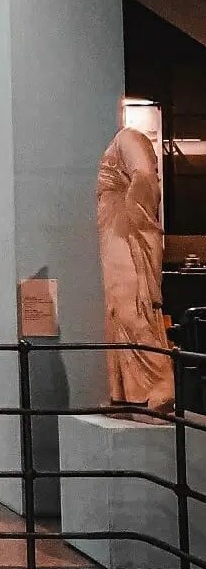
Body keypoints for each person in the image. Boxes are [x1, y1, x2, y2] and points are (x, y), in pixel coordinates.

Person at [97, 126, 174, 412]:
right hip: (113, 228)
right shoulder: (118, 142)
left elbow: (144, 176)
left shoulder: (127, 137)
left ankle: (160, 384)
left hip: (125, 230)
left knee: (131, 306)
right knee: (116, 308)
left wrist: (136, 215)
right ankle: (129, 390)